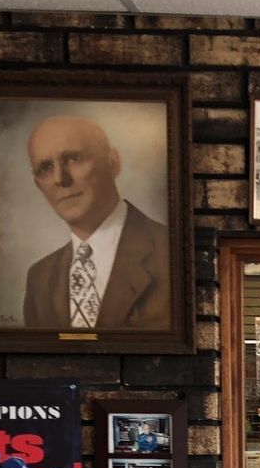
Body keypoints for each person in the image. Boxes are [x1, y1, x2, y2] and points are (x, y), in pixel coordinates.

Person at [20, 115, 170, 332]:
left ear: (112, 163)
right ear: (38, 185)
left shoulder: (170, 251)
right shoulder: (39, 279)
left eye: (73, 158)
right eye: (45, 168)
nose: (60, 179)